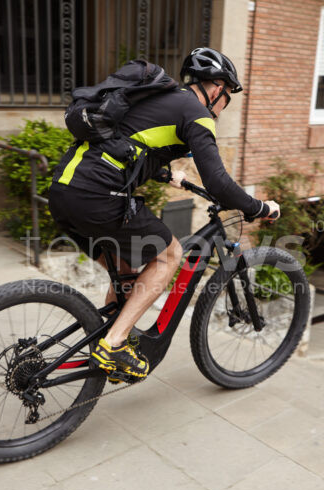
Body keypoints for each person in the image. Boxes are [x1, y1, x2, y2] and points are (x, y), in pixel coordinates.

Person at [48, 47, 280, 379]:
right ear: (217, 89)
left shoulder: (157, 98)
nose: (224, 105)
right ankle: (112, 345)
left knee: (126, 272)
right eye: (227, 96)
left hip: (64, 191)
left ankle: (113, 340)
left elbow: (128, 141)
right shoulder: (196, 113)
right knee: (169, 254)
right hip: (97, 196)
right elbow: (218, 180)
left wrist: (167, 173)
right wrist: (259, 207)